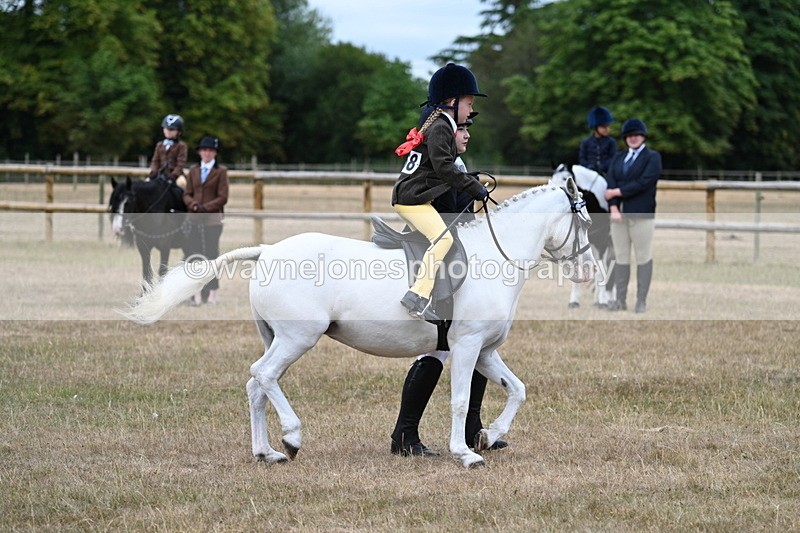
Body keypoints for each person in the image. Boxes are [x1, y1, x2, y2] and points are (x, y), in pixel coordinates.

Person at [390, 110, 508, 457]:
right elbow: (452, 221)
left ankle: (472, 430)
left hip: (454, 266)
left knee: (478, 346)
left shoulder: (455, 172)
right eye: (463, 130)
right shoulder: (444, 174)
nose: (468, 135)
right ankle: (405, 433)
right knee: (442, 350)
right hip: (441, 267)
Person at [392, 63, 489, 322]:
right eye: (468, 103)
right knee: (443, 239)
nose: (471, 110)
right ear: (451, 101)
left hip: (416, 197)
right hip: (412, 200)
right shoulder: (442, 128)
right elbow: (444, 167)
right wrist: (475, 188)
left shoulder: (442, 125)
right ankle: (417, 296)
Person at [604, 118, 661, 313]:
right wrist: (613, 207)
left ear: (643, 136)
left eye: (636, 135)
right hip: (618, 216)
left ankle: (641, 300)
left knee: (643, 256)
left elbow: (644, 182)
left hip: (641, 214)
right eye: (629, 136)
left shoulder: (652, 157)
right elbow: (609, 184)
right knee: (620, 257)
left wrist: (618, 193)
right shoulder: (618, 158)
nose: (633, 138)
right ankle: (620, 300)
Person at [183, 136, 229, 306]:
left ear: (214, 152)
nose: (207, 153)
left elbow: (223, 197)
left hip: (212, 220)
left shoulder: (221, 172)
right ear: (200, 152)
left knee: (211, 255)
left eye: (210, 150)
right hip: (194, 219)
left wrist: (206, 207)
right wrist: (193, 205)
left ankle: (212, 293)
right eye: (204, 150)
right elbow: (187, 193)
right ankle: (195, 293)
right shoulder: (193, 170)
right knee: (194, 255)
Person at [579, 106, 617, 175]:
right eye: (603, 127)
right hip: (589, 173)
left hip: (607, 173)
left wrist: (602, 167)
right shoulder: (586, 142)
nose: (607, 129)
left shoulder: (611, 142)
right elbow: (582, 159)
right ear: (595, 127)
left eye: (608, 126)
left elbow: (614, 159)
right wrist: (589, 166)